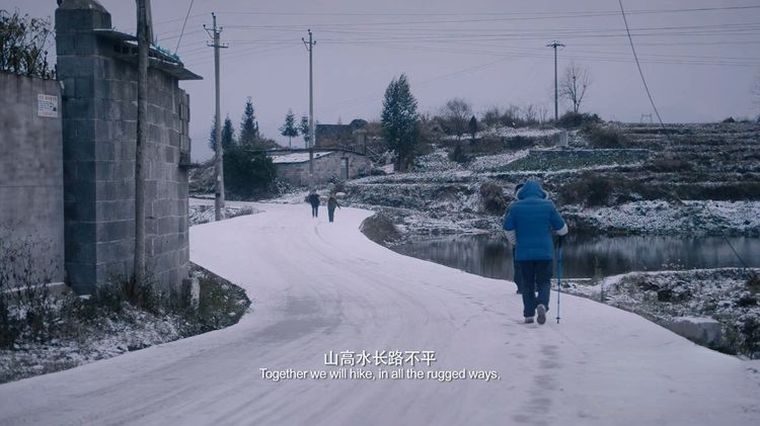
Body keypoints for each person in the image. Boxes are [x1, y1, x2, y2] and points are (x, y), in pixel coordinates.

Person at [503, 179, 568, 325]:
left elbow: (507, 228)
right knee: (544, 281)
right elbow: (562, 229)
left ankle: (528, 315)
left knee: (527, 283)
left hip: (523, 254)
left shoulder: (515, 207)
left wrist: (516, 242)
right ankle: (542, 304)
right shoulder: (548, 206)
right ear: (541, 193)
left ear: (522, 193)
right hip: (545, 253)